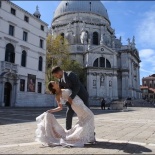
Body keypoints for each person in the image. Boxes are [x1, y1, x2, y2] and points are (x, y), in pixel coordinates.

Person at [35, 81, 95, 147]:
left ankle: (89, 137)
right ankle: (88, 137)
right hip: (77, 105)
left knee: (84, 119)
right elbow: (60, 107)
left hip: (79, 102)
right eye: (54, 83)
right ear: (53, 87)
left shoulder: (62, 89)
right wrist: (50, 111)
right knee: (90, 116)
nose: (55, 82)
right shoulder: (57, 95)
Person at [51, 66, 89, 130]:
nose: (56, 77)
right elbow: (60, 91)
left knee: (87, 114)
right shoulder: (60, 81)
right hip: (72, 100)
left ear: (59, 72)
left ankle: (91, 134)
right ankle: (68, 131)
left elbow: (77, 86)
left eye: (56, 75)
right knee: (69, 113)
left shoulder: (71, 74)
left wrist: (71, 97)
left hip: (82, 97)